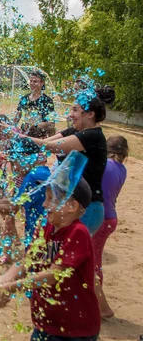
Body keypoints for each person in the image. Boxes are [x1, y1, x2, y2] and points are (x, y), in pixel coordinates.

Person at [0, 177, 100, 341]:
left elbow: (53, 276)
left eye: (50, 199)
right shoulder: (46, 226)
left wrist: (11, 287)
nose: (44, 204)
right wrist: (5, 279)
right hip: (46, 323)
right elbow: (28, 259)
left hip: (75, 330)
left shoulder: (78, 233)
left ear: (72, 206)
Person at [0, 86, 114, 235]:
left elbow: (52, 146)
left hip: (86, 208)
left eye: (75, 110)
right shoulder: (74, 131)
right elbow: (39, 145)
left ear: (90, 114)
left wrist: (14, 135)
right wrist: (9, 140)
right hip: (69, 205)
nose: (70, 115)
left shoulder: (93, 136)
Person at [93, 135, 128, 319]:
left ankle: (99, 305)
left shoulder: (104, 165)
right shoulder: (122, 169)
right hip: (110, 218)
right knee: (95, 259)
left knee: (93, 262)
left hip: (102, 218)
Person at [13, 70, 55, 134]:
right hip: (25, 134)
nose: (32, 83)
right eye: (31, 81)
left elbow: (51, 124)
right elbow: (17, 118)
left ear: (42, 83)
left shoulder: (47, 101)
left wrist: (35, 125)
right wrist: (11, 127)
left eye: (35, 81)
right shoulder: (24, 99)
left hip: (40, 135)